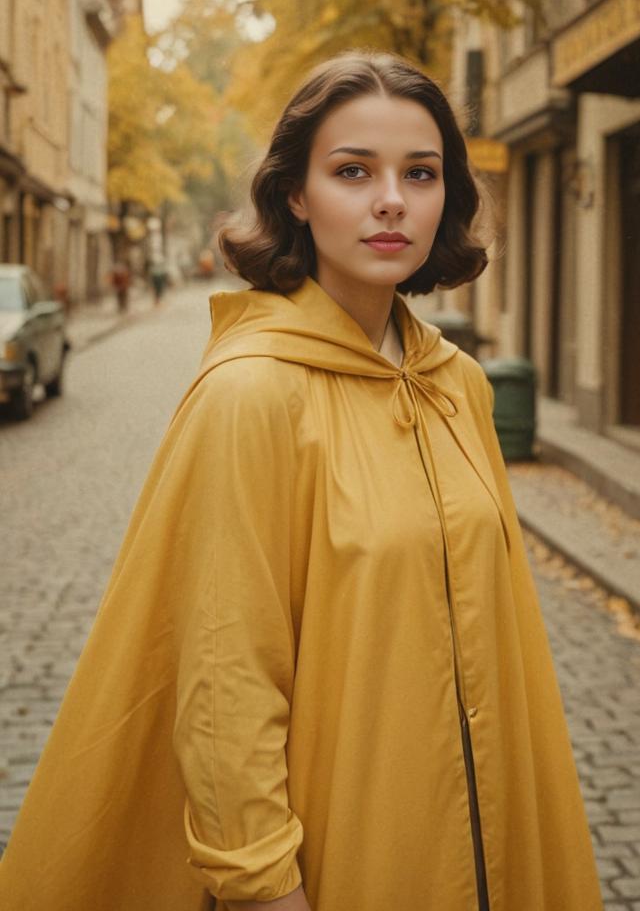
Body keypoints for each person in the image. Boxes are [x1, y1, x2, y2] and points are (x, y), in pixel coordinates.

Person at [0, 52, 603, 911]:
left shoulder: (458, 384)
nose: (391, 198)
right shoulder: (252, 394)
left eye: (420, 173)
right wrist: (263, 888)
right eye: (353, 171)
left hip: (479, 850)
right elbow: (223, 678)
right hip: (340, 855)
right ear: (295, 194)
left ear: (447, 196)